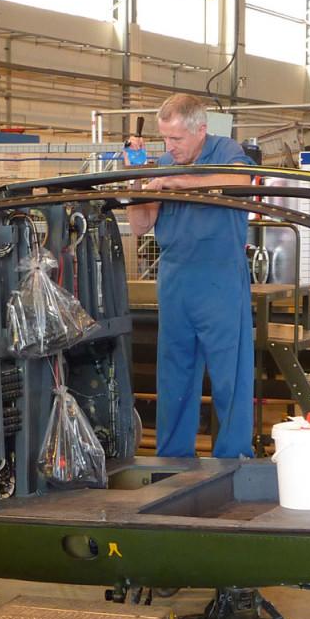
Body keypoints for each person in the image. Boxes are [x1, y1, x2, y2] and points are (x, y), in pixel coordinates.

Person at [126, 94, 255, 459]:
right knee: (174, 374)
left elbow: (241, 180)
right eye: (165, 138)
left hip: (220, 279)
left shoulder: (225, 151)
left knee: (230, 374)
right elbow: (140, 225)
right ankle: (173, 458)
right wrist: (137, 178)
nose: (169, 146)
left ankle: (234, 458)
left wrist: (176, 182)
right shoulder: (164, 164)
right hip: (175, 280)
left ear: (201, 130)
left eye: (176, 139)